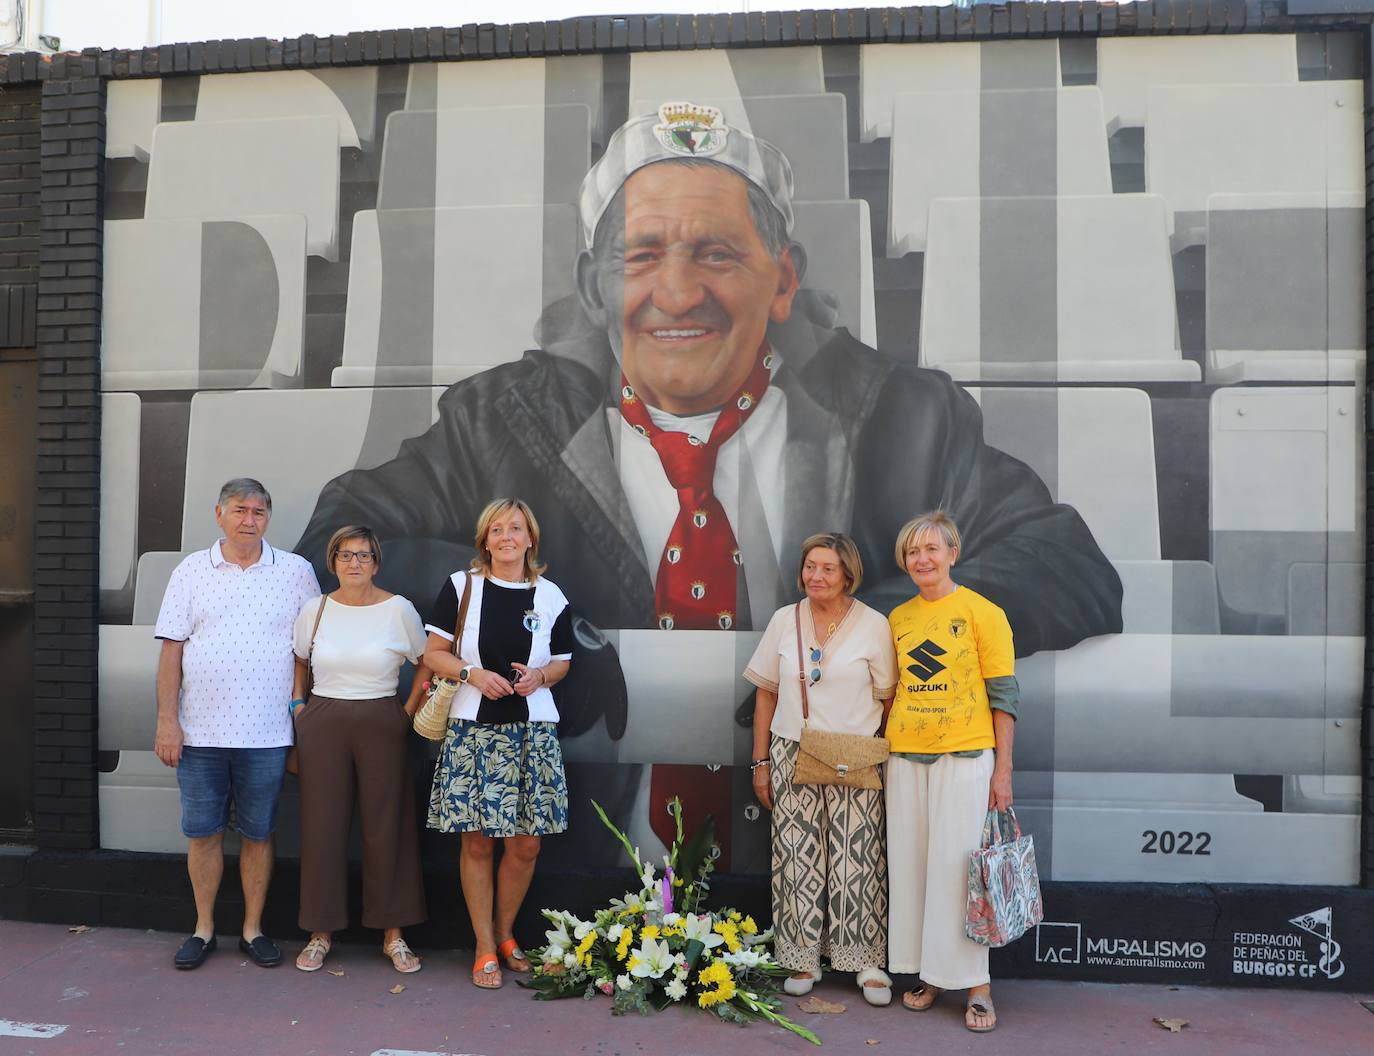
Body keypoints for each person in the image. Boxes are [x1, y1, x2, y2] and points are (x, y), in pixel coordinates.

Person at [295, 102, 1120, 862]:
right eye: (643, 256)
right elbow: (342, 543)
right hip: (573, 866)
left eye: (717, 254)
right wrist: (535, 625)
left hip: (824, 845)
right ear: (593, 288)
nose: (678, 292)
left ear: (785, 280)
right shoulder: (500, 421)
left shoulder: (903, 418)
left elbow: (1064, 561)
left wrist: (852, 638)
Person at [153, 478, 320, 970]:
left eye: (259, 512)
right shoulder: (190, 571)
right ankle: (203, 929)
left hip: (268, 735)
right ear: (219, 514)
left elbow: (305, 653)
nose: (250, 519)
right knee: (202, 834)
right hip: (199, 732)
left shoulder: (295, 571)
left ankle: (253, 929)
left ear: (268, 518)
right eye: (240, 510)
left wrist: (298, 716)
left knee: (258, 833)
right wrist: (168, 722)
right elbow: (170, 651)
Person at [420, 498, 573, 989]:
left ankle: (507, 934)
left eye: (516, 528)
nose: (506, 537)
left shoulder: (551, 595)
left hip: (533, 731)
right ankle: (484, 944)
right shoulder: (461, 587)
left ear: (531, 538)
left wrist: (540, 677)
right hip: (473, 729)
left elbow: (564, 662)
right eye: (497, 529)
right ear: (484, 540)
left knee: (526, 845)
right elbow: (433, 655)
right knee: (478, 841)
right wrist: (473, 673)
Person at [744, 533, 898, 1007]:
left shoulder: (874, 625)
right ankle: (803, 957)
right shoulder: (783, 621)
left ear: (848, 574)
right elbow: (765, 694)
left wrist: (876, 752)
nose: (816, 576)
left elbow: (890, 697)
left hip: (857, 754)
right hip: (792, 750)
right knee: (797, 855)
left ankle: (866, 961)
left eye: (828, 568)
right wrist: (761, 761)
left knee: (860, 856)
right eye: (810, 566)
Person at [884, 511, 1018, 1033]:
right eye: (913, 552)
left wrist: (1002, 771)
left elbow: (1004, 696)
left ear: (952, 553)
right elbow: (891, 690)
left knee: (959, 872)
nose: (922, 559)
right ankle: (932, 975)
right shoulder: (898, 619)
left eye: (932, 549)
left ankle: (978, 987)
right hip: (905, 758)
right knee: (915, 869)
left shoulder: (985, 613)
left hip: (965, 758)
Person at [290, 526, 428, 974]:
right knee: (322, 826)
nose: (354, 564)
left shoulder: (398, 609)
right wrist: (299, 707)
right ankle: (320, 932)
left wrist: (406, 711)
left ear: (376, 562)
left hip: (382, 719)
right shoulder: (316, 608)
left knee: (388, 825)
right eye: (346, 555)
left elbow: (426, 660)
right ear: (332, 562)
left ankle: (394, 935)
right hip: (324, 720)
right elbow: (301, 659)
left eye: (364, 556)